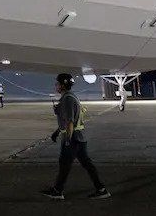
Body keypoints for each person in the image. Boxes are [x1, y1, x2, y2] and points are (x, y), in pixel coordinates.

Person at [43, 72, 109, 200]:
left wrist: (67, 139)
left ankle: (58, 191)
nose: (56, 85)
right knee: (85, 164)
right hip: (78, 137)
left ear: (62, 85)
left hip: (73, 138)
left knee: (65, 163)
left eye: (57, 83)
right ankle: (101, 189)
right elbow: (67, 120)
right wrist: (57, 132)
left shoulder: (68, 99)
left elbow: (70, 121)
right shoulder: (69, 97)